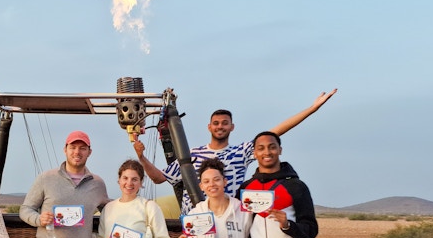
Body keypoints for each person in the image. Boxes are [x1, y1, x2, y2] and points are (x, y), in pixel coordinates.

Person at [132, 90, 338, 213]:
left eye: (224, 123)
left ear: (232, 127)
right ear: (209, 127)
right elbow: (160, 178)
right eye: (216, 123)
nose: (220, 126)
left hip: (228, 219)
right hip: (194, 222)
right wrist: (142, 157)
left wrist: (312, 109)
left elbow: (274, 132)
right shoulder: (191, 154)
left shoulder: (241, 152)